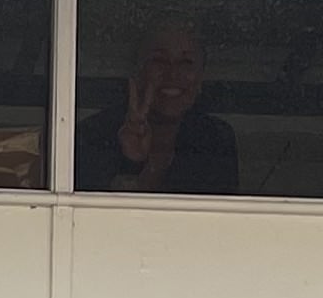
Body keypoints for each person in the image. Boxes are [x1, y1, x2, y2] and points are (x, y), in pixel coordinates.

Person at [78, 16, 239, 193]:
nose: (172, 74)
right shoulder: (94, 134)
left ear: (201, 78)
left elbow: (219, 216)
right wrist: (132, 164)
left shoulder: (215, 139)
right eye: (159, 61)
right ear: (137, 71)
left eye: (186, 63)